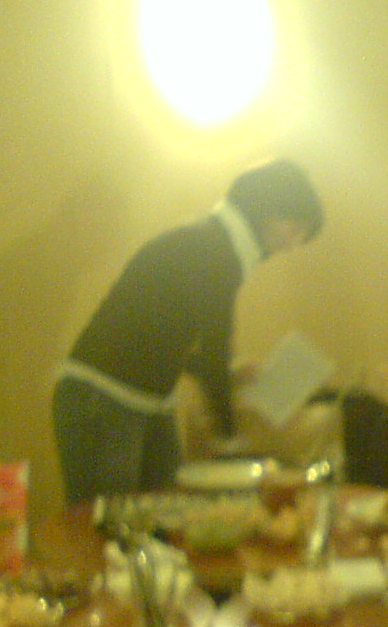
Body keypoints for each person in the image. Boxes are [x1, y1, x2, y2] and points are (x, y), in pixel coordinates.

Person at [53, 157, 323, 506]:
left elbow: (157, 336)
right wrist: (229, 434)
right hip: (103, 399)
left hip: (144, 401)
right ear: (269, 212)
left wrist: (225, 373)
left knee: (165, 516)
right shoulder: (214, 250)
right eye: (295, 228)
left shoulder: (209, 243)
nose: (291, 245)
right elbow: (213, 347)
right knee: (107, 527)